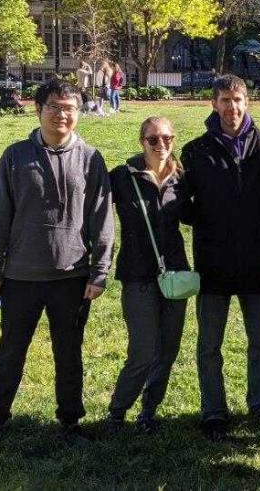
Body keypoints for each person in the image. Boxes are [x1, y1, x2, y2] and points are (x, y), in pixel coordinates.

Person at [0, 78, 114, 451]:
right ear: (38, 110)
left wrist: (100, 270)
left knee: (69, 353)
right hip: (20, 276)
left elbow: (102, 218)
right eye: (54, 106)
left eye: (69, 108)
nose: (62, 114)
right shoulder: (15, 157)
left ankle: (70, 422)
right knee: (10, 352)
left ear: (79, 113)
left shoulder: (90, 158)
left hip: (72, 276)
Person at [181, 74, 260, 440]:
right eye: (225, 100)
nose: (232, 107)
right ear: (213, 104)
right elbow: (182, 204)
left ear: (248, 101)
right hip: (213, 261)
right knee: (209, 344)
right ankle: (214, 410)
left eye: (238, 99)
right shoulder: (195, 152)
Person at [107, 117, 191, 432]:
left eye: (167, 138)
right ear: (141, 141)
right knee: (142, 351)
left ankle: (148, 412)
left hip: (175, 275)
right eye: (153, 139)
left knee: (167, 351)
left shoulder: (181, 178)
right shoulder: (122, 176)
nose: (161, 145)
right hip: (137, 274)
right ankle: (117, 412)